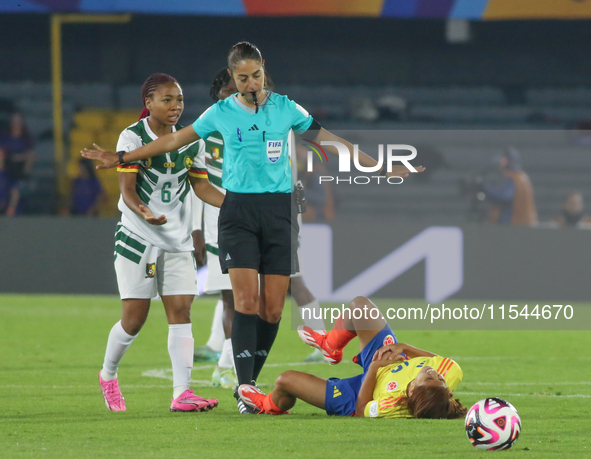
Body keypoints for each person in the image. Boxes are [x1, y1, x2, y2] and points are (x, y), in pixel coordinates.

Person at [82, 42, 424, 414]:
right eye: (242, 77)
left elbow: (330, 141)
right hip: (238, 211)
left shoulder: (286, 108)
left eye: (255, 75)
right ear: (232, 77)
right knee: (245, 301)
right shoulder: (221, 112)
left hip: (278, 213)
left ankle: (249, 381)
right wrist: (120, 157)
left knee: (273, 310)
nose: (250, 83)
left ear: (264, 70)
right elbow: (174, 140)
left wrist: (380, 167)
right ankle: (246, 389)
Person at [93, 73, 225, 412]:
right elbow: (128, 189)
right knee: (134, 319)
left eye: (179, 99)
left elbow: (201, 187)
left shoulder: (192, 140)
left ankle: (182, 393)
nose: (175, 106)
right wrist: (144, 212)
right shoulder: (132, 136)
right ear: (148, 103)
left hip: (176, 239)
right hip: (138, 236)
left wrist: (236, 203)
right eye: (167, 99)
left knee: (181, 311)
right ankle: (108, 374)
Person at [237, 296, 467, 419]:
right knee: (360, 306)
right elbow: (439, 361)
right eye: (440, 379)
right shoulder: (450, 373)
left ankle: (269, 406)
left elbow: (361, 410)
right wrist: (403, 346)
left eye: (429, 379)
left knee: (285, 381)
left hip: (359, 392)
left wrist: (375, 368)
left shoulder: (392, 405)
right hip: (390, 358)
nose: (433, 372)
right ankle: (330, 346)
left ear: (410, 391)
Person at [484, 147, 537, 226]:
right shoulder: (522, 176)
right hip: (527, 223)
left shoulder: (513, 178)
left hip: (517, 224)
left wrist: (485, 190)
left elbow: (504, 196)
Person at [0, 112, 35, 216]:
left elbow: (30, 155)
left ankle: (12, 210)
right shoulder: (5, 136)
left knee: (16, 190)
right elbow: (2, 151)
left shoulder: (26, 138)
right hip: (7, 167)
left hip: (19, 169)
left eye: (18, 120)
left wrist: (25, 167)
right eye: (14, 120)